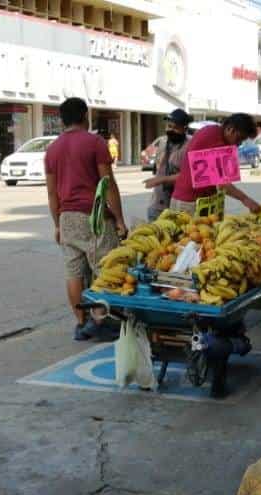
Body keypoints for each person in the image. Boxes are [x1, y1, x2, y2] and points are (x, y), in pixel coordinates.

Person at [45, 97, 127, 342]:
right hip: (95, 215)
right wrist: (120, 219)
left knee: (73, 272)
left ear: (62, 120)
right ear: (84, 116)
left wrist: (57, 224)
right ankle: (100, 320)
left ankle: (81, 324)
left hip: (67, 216)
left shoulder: (52, 149)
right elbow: (108, 183)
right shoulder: (95, 143)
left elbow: (51, 193)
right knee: (104, 269)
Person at [170, 113, 261, 216]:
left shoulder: (213, 131)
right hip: (190, 202)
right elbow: (222, 183)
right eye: (239, 139)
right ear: (230, 130)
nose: (238, 144)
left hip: (199, 199)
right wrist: (245, 199)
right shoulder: (215, 139)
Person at [142, 108, 192, 221]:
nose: (171, 130)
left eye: (175, 128)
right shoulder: (163, 141)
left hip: (179, 206)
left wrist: (161, 180)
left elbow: (188, 176)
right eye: (169, 126)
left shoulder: (190, 146)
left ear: (185, 129)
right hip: (157, 204)